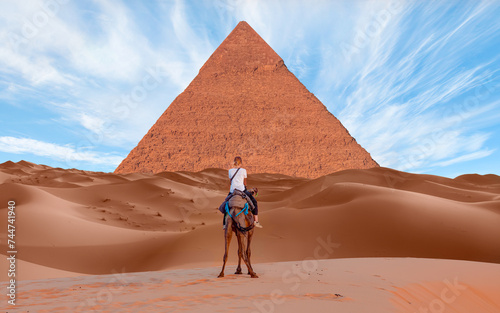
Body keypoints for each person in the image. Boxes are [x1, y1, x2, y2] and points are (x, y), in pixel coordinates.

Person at [227, 156, 262, 228]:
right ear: (241, 163)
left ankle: (224, 224)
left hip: (232, 191)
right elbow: (245, 183)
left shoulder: (230, 171)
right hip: (242, 190)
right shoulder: (243, 170)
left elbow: (230, 182)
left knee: (225, 204)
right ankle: (256, 221)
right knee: (254, 202)